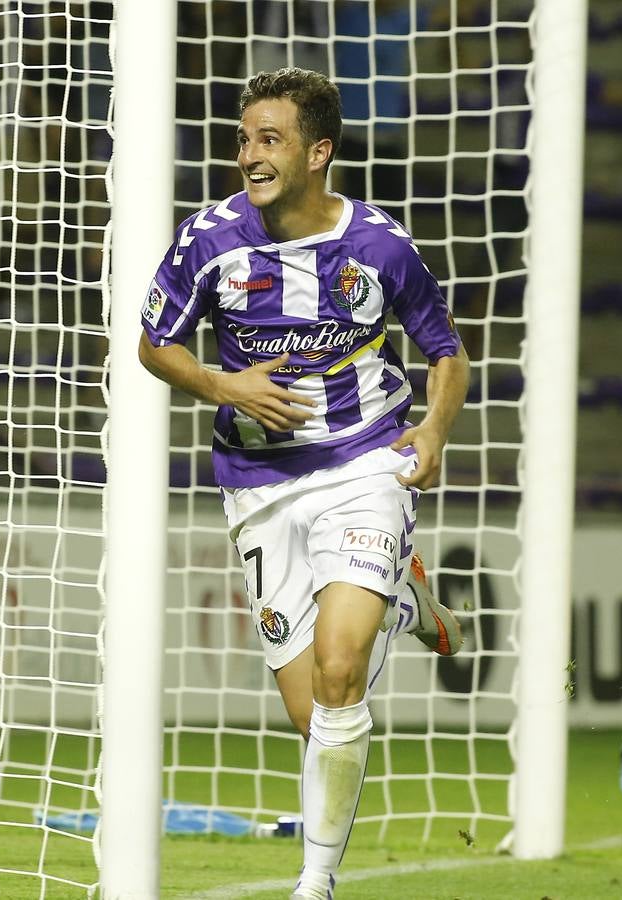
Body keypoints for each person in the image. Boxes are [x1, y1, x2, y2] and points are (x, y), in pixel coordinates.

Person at [135, 67, 471, 900]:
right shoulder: (206, 239)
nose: (250, 155)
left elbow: (447, 353)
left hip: (367, 465)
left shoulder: (381, 246)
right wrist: (225, 385)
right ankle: (405, 598)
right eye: (245, 137)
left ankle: (316, 882)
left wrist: (430, 432)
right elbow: (152, 343)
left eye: (270, 138)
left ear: (319, 151)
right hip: (259, 485)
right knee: (310, 716)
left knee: (338, 673)